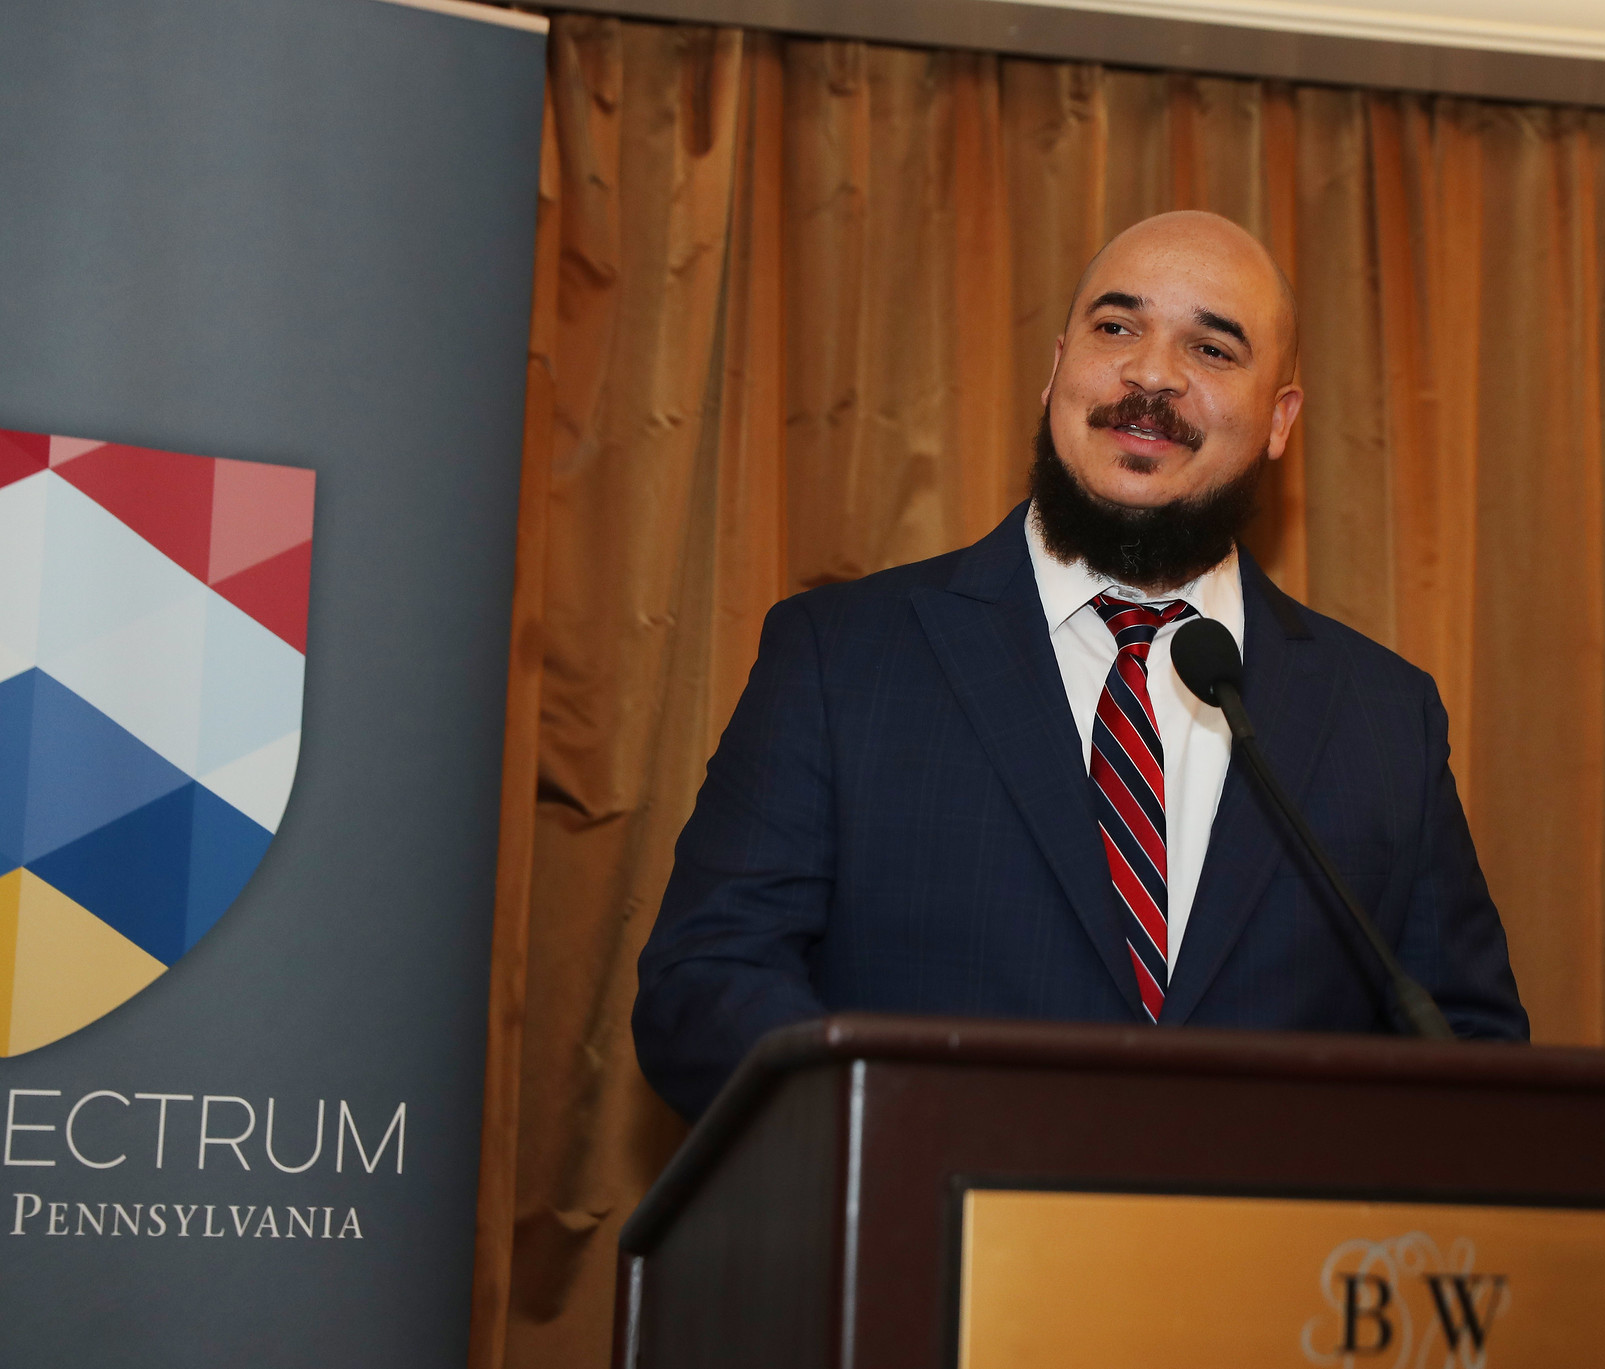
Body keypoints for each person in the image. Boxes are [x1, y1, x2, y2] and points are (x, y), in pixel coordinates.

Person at [634, 211, 1526, 1120]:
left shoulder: (1383, 716)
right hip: (928, 1237)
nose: (1151, 374)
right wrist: (893, 1136)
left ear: (1279, 419)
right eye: (1116, 328)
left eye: (1213, 350)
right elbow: (708, 983)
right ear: (1059, 364)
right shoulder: (843, 657)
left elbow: (1469, 1054)